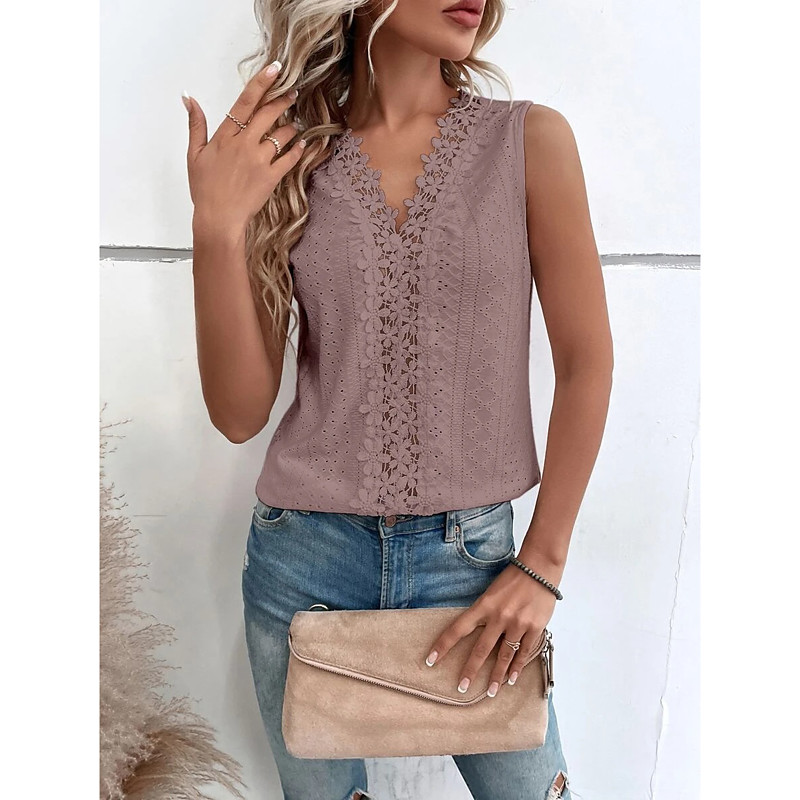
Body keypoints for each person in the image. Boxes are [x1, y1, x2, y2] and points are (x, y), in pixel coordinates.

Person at [182, 1, 613, 798]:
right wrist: (217, 228)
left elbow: (586, 363)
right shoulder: (289, 157)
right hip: (302, 568)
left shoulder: (529, 141)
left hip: (475, 571)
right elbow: (240, 414)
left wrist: (542, 565)